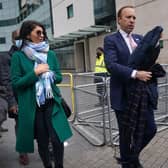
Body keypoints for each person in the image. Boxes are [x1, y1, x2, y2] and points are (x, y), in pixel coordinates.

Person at [10, 20, 73, 168]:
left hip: (52, 103)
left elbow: (59, 77)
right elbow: (16, 83)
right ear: (27, 34)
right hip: (33, 107)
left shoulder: (49, 53)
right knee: (43, 141)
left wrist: (49, 74)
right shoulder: (18, 57)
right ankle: (47, 166)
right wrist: (35, 73)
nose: (42, 35)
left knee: (57, 139)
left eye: (43, 32)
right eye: (38, 32)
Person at [104, 5, 159, 168]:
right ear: (119, 20)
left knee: (150, 129)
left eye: (134, 18)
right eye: (128, 17)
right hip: (122, 95)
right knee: (126, 134)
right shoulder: (110, 40)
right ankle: (128, 163)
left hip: (142, 94)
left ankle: (130, 157)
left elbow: (148, 61)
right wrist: (136, 73)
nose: (132, 20)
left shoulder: (140, 39)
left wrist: (155, 45)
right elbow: (111, 65)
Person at [8, 29, 30, 166]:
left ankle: (48, 148)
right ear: (12, 40)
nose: (19, 40)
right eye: (17, 38)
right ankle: (23, 152)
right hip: (18, 98)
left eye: (22, 37)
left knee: (41, 123)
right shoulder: (8, 57)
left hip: (33, 96)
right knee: (20, 126)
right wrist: (12, 102)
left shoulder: (30, 53)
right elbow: (7, 81)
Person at [0, 44, 18, 138]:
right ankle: (22, 149)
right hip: (15, 95)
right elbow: (6, 81)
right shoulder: (6, 58)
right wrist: (12, 102)